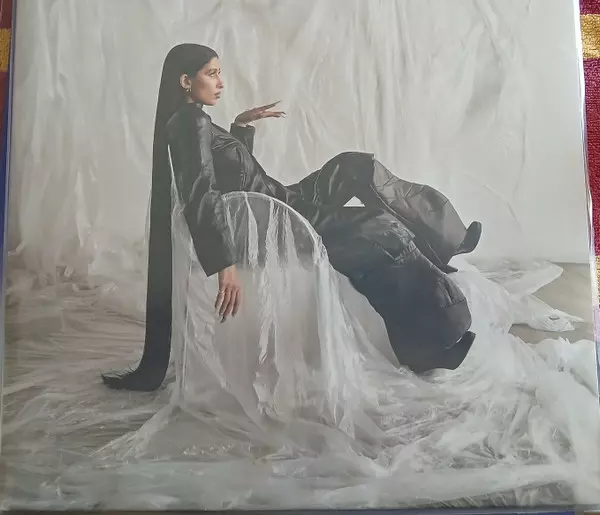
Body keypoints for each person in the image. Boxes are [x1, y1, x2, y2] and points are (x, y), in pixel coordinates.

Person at [102, 44, 482, 392]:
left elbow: (231, 174)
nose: (220, 82)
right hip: (279, 217)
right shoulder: (191, 123)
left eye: (220, 73)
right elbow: (202, 194)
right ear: (186, 81)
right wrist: (224, 264)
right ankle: (426, 345)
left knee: (355, 166)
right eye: (212, 74)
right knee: (381, 229)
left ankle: (447, 238)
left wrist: (240, 128)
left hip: (284, 198)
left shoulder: (194, 120)